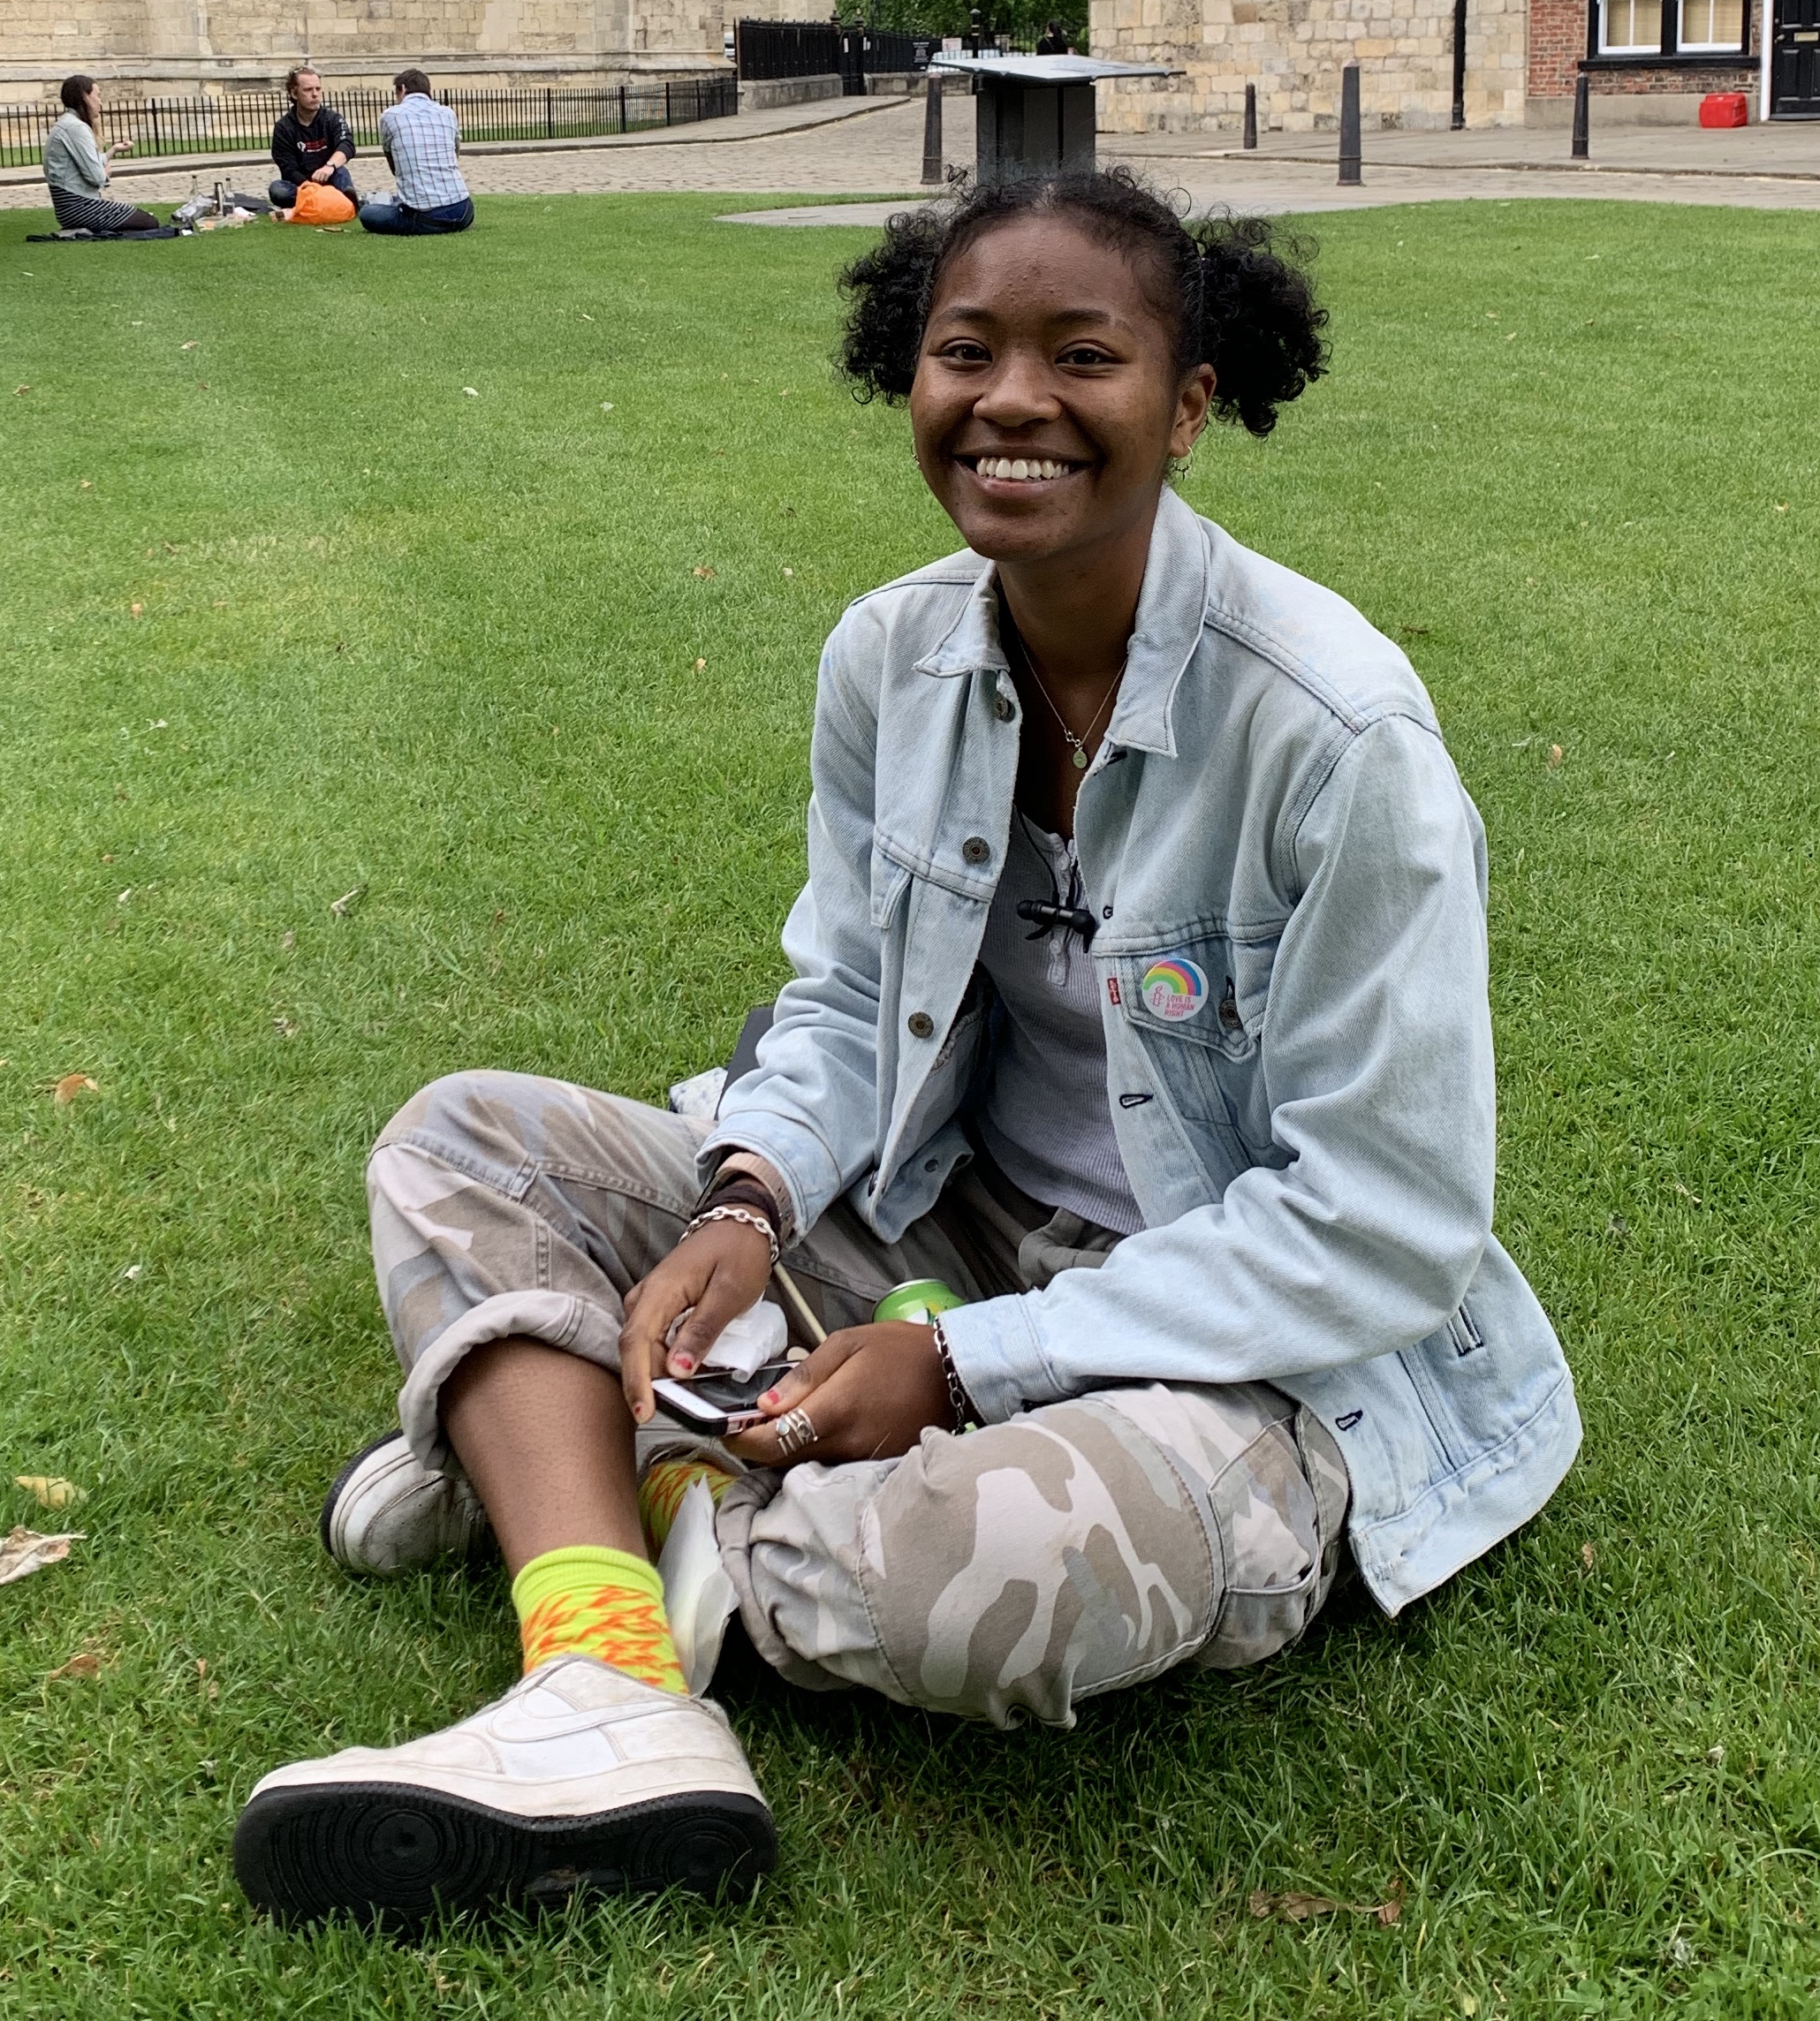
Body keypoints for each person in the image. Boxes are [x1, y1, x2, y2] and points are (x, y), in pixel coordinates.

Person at [232, 170, 1581, 1927]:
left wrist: (965, 1370)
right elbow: (849, 1005)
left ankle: (564, 1468)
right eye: (966, 350)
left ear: (1187, 402)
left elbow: (1387, 1226)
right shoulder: (892, 655)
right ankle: (613, 1656)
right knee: (460, 1139)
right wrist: (741, 1197)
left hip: (1252, 1352)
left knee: (990, 1563)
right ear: (911, 374)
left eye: (1079, 354)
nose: (1011, 399)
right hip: (938, 1221)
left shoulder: (1334, 739)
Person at [358, 69, 474, 236]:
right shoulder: (448, 113)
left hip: (424, 218)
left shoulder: (391, 115)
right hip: (464, 210)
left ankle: (395, 203)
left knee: (368, 213)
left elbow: (394, 166)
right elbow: (455, 154)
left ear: (403, 89)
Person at [42, 76, 160, 235]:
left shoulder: (67, 123)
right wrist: (104, 175)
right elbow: (96, 177)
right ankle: (93, 232)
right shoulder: (76, 128)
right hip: (80, 207)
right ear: (84, 96)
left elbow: (89, 162)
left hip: (70, 207)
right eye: (97, 95)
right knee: (149, 222)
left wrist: (113, 150)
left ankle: (94, 230)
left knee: (142, 220)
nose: (100, 102)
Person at [268, 66, 358, 214]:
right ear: (294, 93)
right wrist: (311, 188)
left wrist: (329, 166)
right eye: (308, 90)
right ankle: (334, 202)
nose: (315, 94)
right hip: (301, 186)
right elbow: (288, 168)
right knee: (277, 190)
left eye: (318, 89)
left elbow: (347, 145)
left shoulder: (332, 119)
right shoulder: (284, 127)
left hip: (330, 178)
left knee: (341, 173)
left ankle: (327, 203)